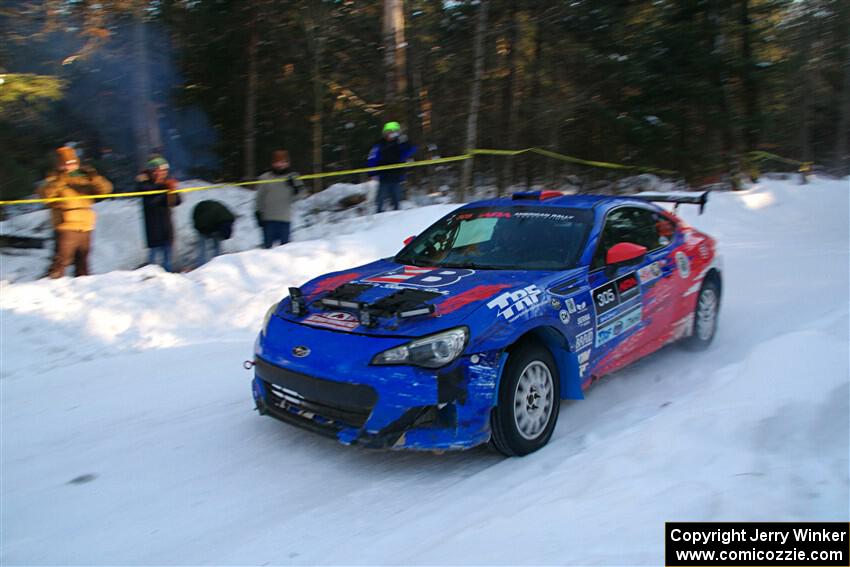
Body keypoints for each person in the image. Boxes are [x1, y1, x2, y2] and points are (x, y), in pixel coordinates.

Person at [39, 145, 113, 278]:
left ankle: (82, 289)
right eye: (67, 164)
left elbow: (105, 191)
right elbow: (45, 195)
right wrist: (61, 179)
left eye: (73, 163)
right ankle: (50, 286)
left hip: (86, 226)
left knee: (83, 264)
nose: (70, 167)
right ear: (60, 165)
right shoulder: (53, 179)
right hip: (66, 226)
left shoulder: (82, 179)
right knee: (61, 261)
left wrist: (94, 178)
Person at [138, 156, 181, 272]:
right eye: (158, 171)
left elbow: (177, 201)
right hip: (153, 231)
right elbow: (152, 201)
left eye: (164, 171)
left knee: (168, 263)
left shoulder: (166, 184)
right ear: (152, 172)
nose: (161, 174)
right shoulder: (145, 186)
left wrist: (172, 190)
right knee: (152, 264)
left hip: (166, 229)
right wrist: (165, 189)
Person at [256, 149, 303, 248]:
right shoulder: (265, 177)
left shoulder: (293, 177)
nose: (280, 165)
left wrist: (295, 188)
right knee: (267, 248)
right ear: (273, 163)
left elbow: (301, 195)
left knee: (285, 250)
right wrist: (258, 212)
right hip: (268, 219)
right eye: (277, 162)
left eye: (283, 162)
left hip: (284, 219)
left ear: (287, 163)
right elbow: (259, 197)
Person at [367, 121, 415, 213]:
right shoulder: (380, 145)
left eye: (393, 132)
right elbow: (372, 158)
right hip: (383, 176)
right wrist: (372, 173)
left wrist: (406, 142)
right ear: (385, 133)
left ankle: (396, 216)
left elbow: (410, 151)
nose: (390, 135)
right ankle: (378, 215)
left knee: (396, 199)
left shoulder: (400, 144)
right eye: (388, 132)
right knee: (380, 199)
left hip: (396, 176)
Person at [192, 199, 235, 266]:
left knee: (215, 242)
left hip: (213, 220)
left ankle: (215, 263)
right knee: (203, 245)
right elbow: (201, 225)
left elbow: (226, 233)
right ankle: (202, 265)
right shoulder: (207, 218)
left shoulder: (227, 218)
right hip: (201, 219)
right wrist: (206, 232)